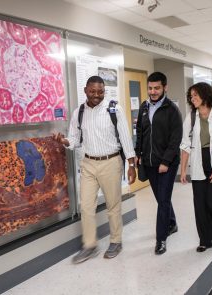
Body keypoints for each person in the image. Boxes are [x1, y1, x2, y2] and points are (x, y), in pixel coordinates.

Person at [53, 75, 136, 264]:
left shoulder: (114, 109)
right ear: (85, 91)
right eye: (93, 91)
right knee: (87, 207)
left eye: (101, 91)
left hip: (110, 162)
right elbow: (74, 139)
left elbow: (125, 137)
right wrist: (64, 141)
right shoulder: (79, 112)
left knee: (113, 205)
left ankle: (116, 241)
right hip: (88, 163)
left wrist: (131, 165)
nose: (97, 95)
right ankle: (90, 245)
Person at [180, 82, 212, 252]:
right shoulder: (192, 117)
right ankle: (207, 239)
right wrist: (183, 171)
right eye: (191, 95)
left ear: (205, 95)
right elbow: (185, 144)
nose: (192, 98)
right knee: (200, 206)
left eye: (196, 95)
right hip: (198, 164)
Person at [135, 72, 183, 255]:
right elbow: (140, 131)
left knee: (162, 200)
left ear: (165, 87)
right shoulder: (144, 107)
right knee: (161, 198)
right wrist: (138, 153)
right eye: (150, 88)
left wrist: (165, 161)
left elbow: (175, 139)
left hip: (167, 164)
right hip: (148, 162)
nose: (153, 91)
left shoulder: (172, 110)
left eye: (157, 88)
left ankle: (161, 239)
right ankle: (172, 223)